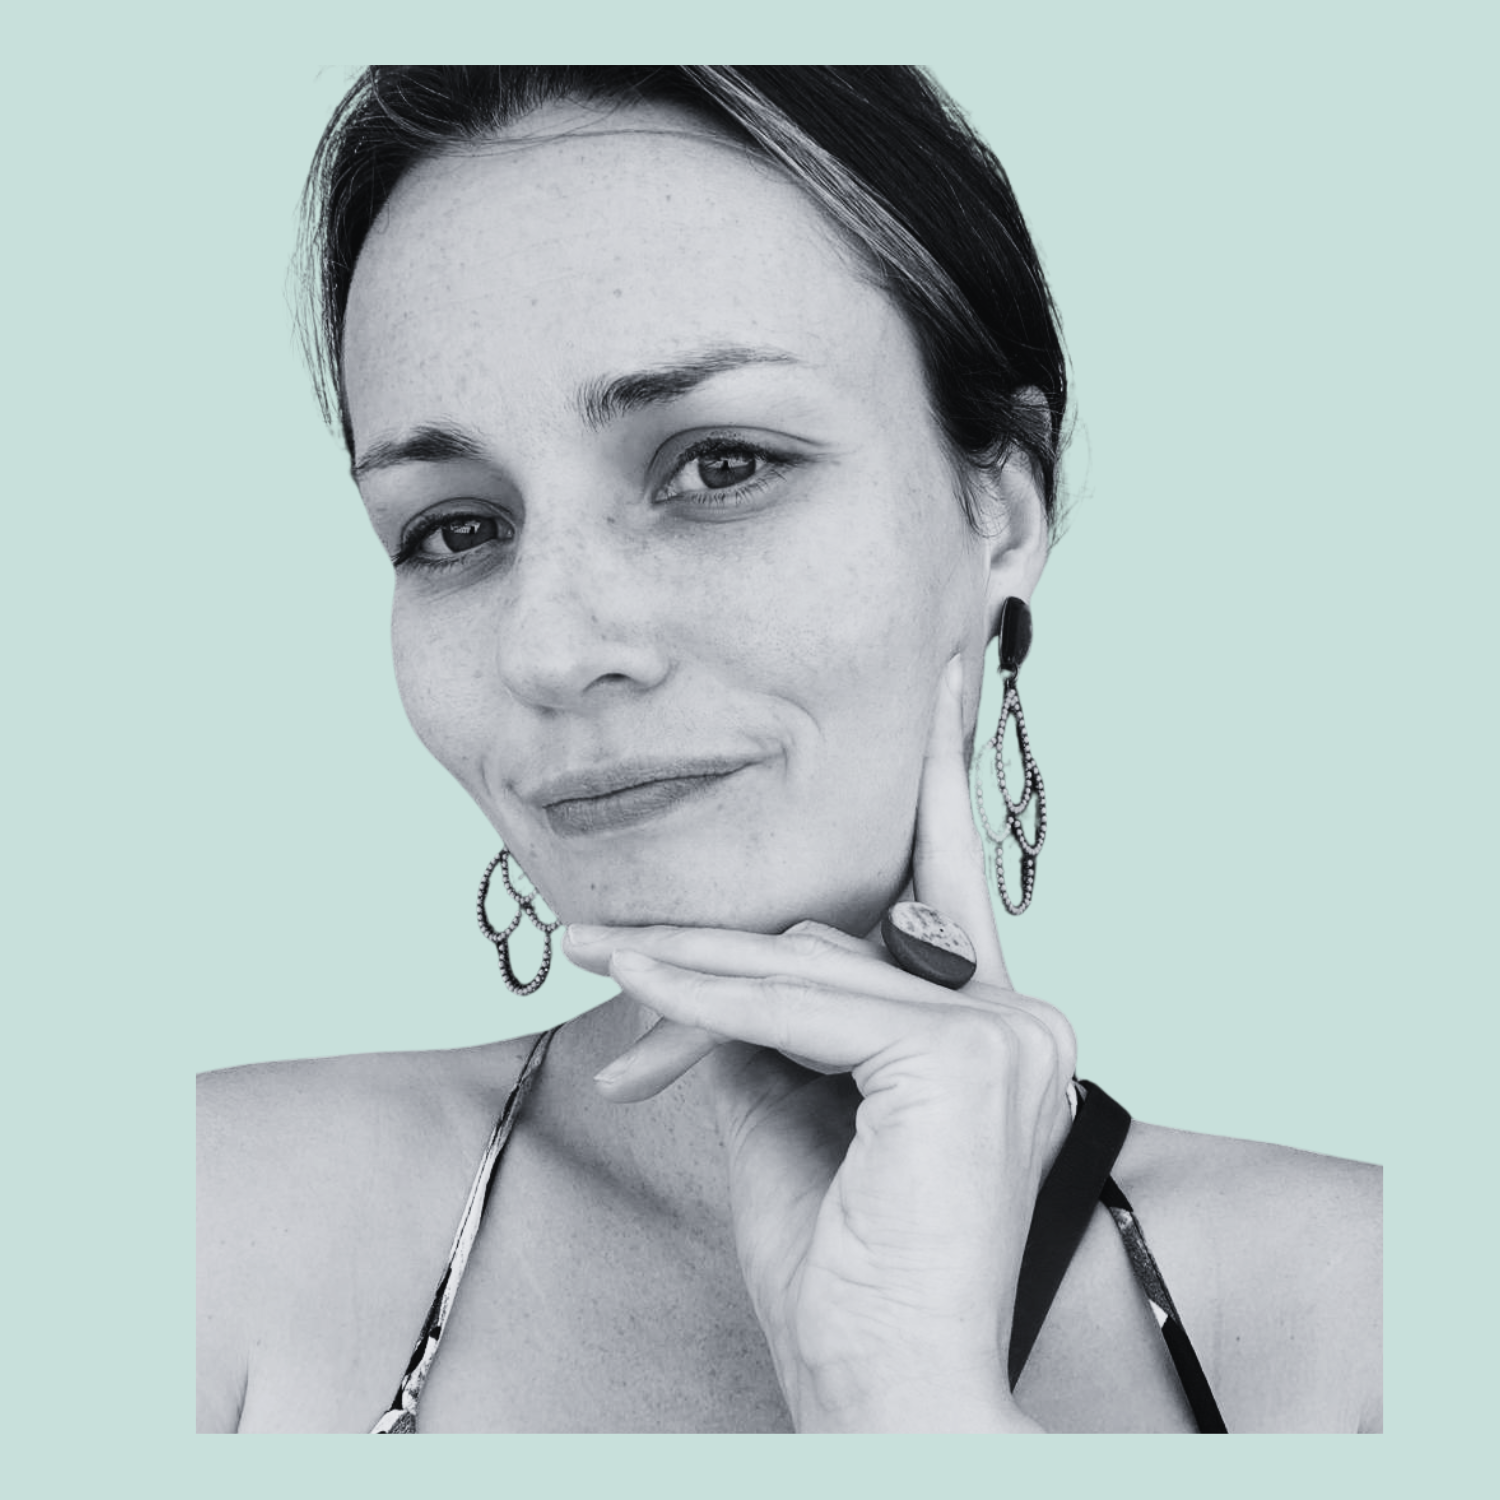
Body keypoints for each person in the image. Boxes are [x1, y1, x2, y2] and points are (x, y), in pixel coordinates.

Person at [195, 65, 1382, 1434]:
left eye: (720, 465)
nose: (549, 646)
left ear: (997, 509)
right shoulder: (198, 1226)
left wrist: (913, 1412)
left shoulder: (1378, 1320)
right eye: (455, 528)